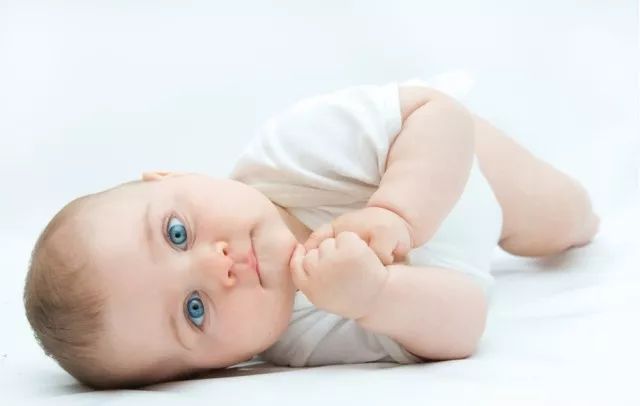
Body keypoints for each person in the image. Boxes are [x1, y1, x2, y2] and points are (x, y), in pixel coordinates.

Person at [23, 80, 600, 389]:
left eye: (177, 233)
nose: (217, 265)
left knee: (569, 221)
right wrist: (376, 296)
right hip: (468, 248)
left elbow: (435, 112)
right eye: (194, 310)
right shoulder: (298, 339)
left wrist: (398, 213)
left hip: (466, 169)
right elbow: (468, 319)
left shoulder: (290, 155)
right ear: (219, 367)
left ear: (173, 177)